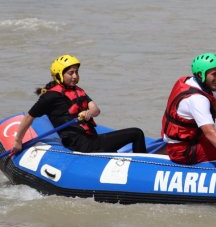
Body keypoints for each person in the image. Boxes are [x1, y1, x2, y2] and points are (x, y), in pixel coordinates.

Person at [11, 54, 147, 155]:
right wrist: (18, 141)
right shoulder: (50, 96)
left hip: (93, 140)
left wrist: (89, 112)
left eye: (76, 72)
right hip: (82, 145)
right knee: (136, 133)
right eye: (71, 73)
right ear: (59, 74)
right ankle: (143, 168)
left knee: (133, 133)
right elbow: (29, 117)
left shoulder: (77, 91)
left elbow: (96, 109)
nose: (75, 76)